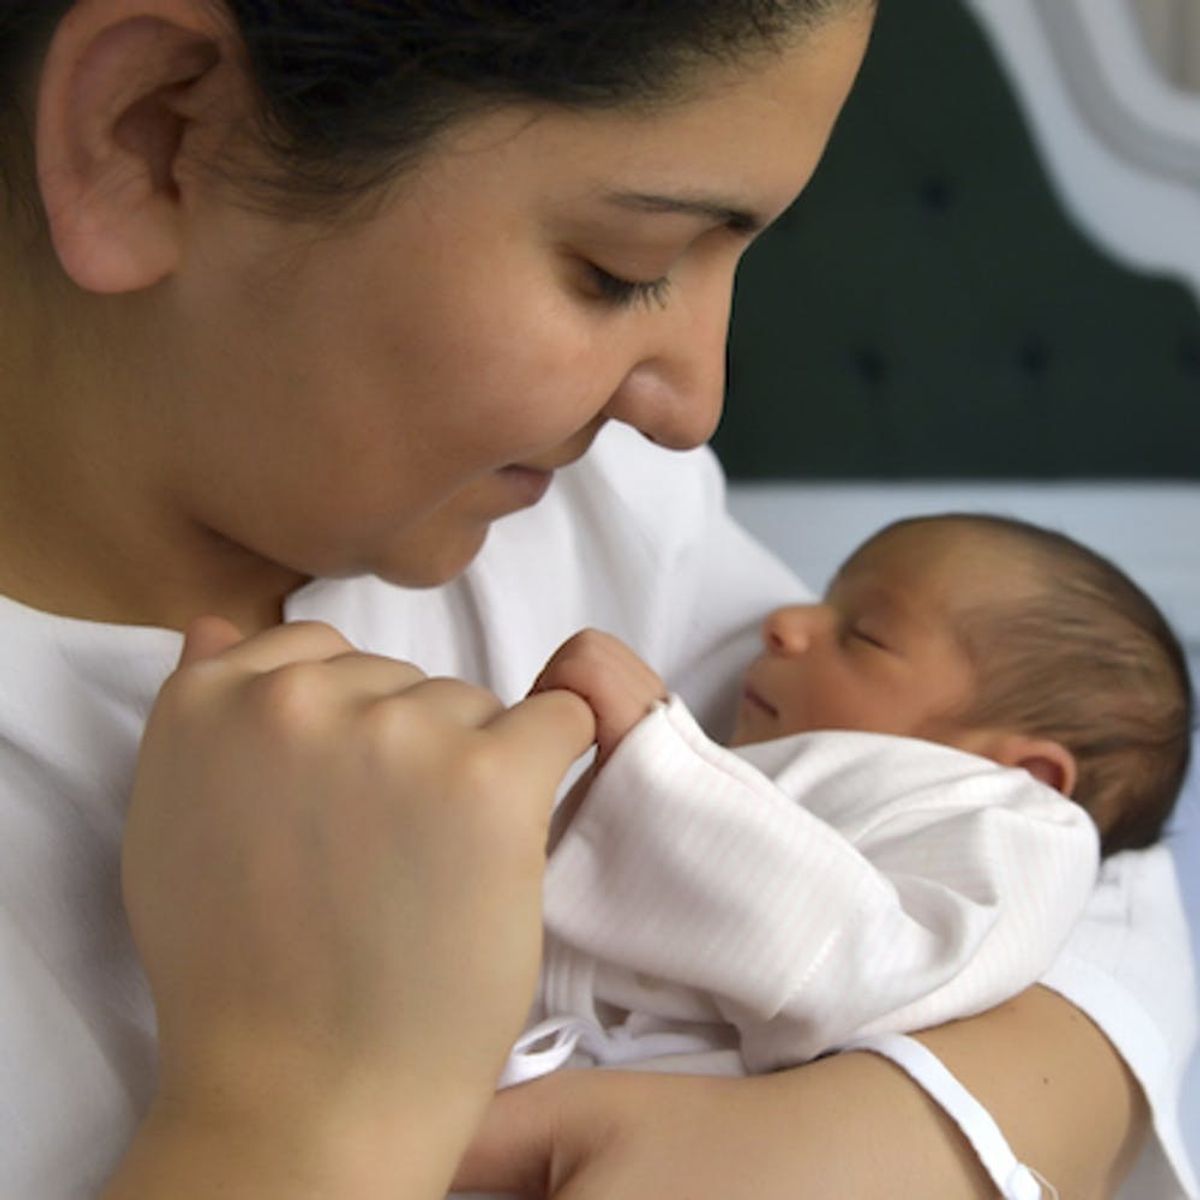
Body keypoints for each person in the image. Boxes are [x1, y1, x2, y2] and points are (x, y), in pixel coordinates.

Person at [0, 3, 1193, 1199]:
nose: (693, 407)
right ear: (156, 131)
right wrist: (290, 1116)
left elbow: (1074, 854)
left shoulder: (587, 506)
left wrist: (883, 1141)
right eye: (623, 269)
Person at [491, 512, 1191, 1092]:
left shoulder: (1025, 829)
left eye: (864, 635)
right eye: (826, 599)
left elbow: (872, 970)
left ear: (1022, 772)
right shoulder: (852, 792)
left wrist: (658, 762)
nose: (785, 621)